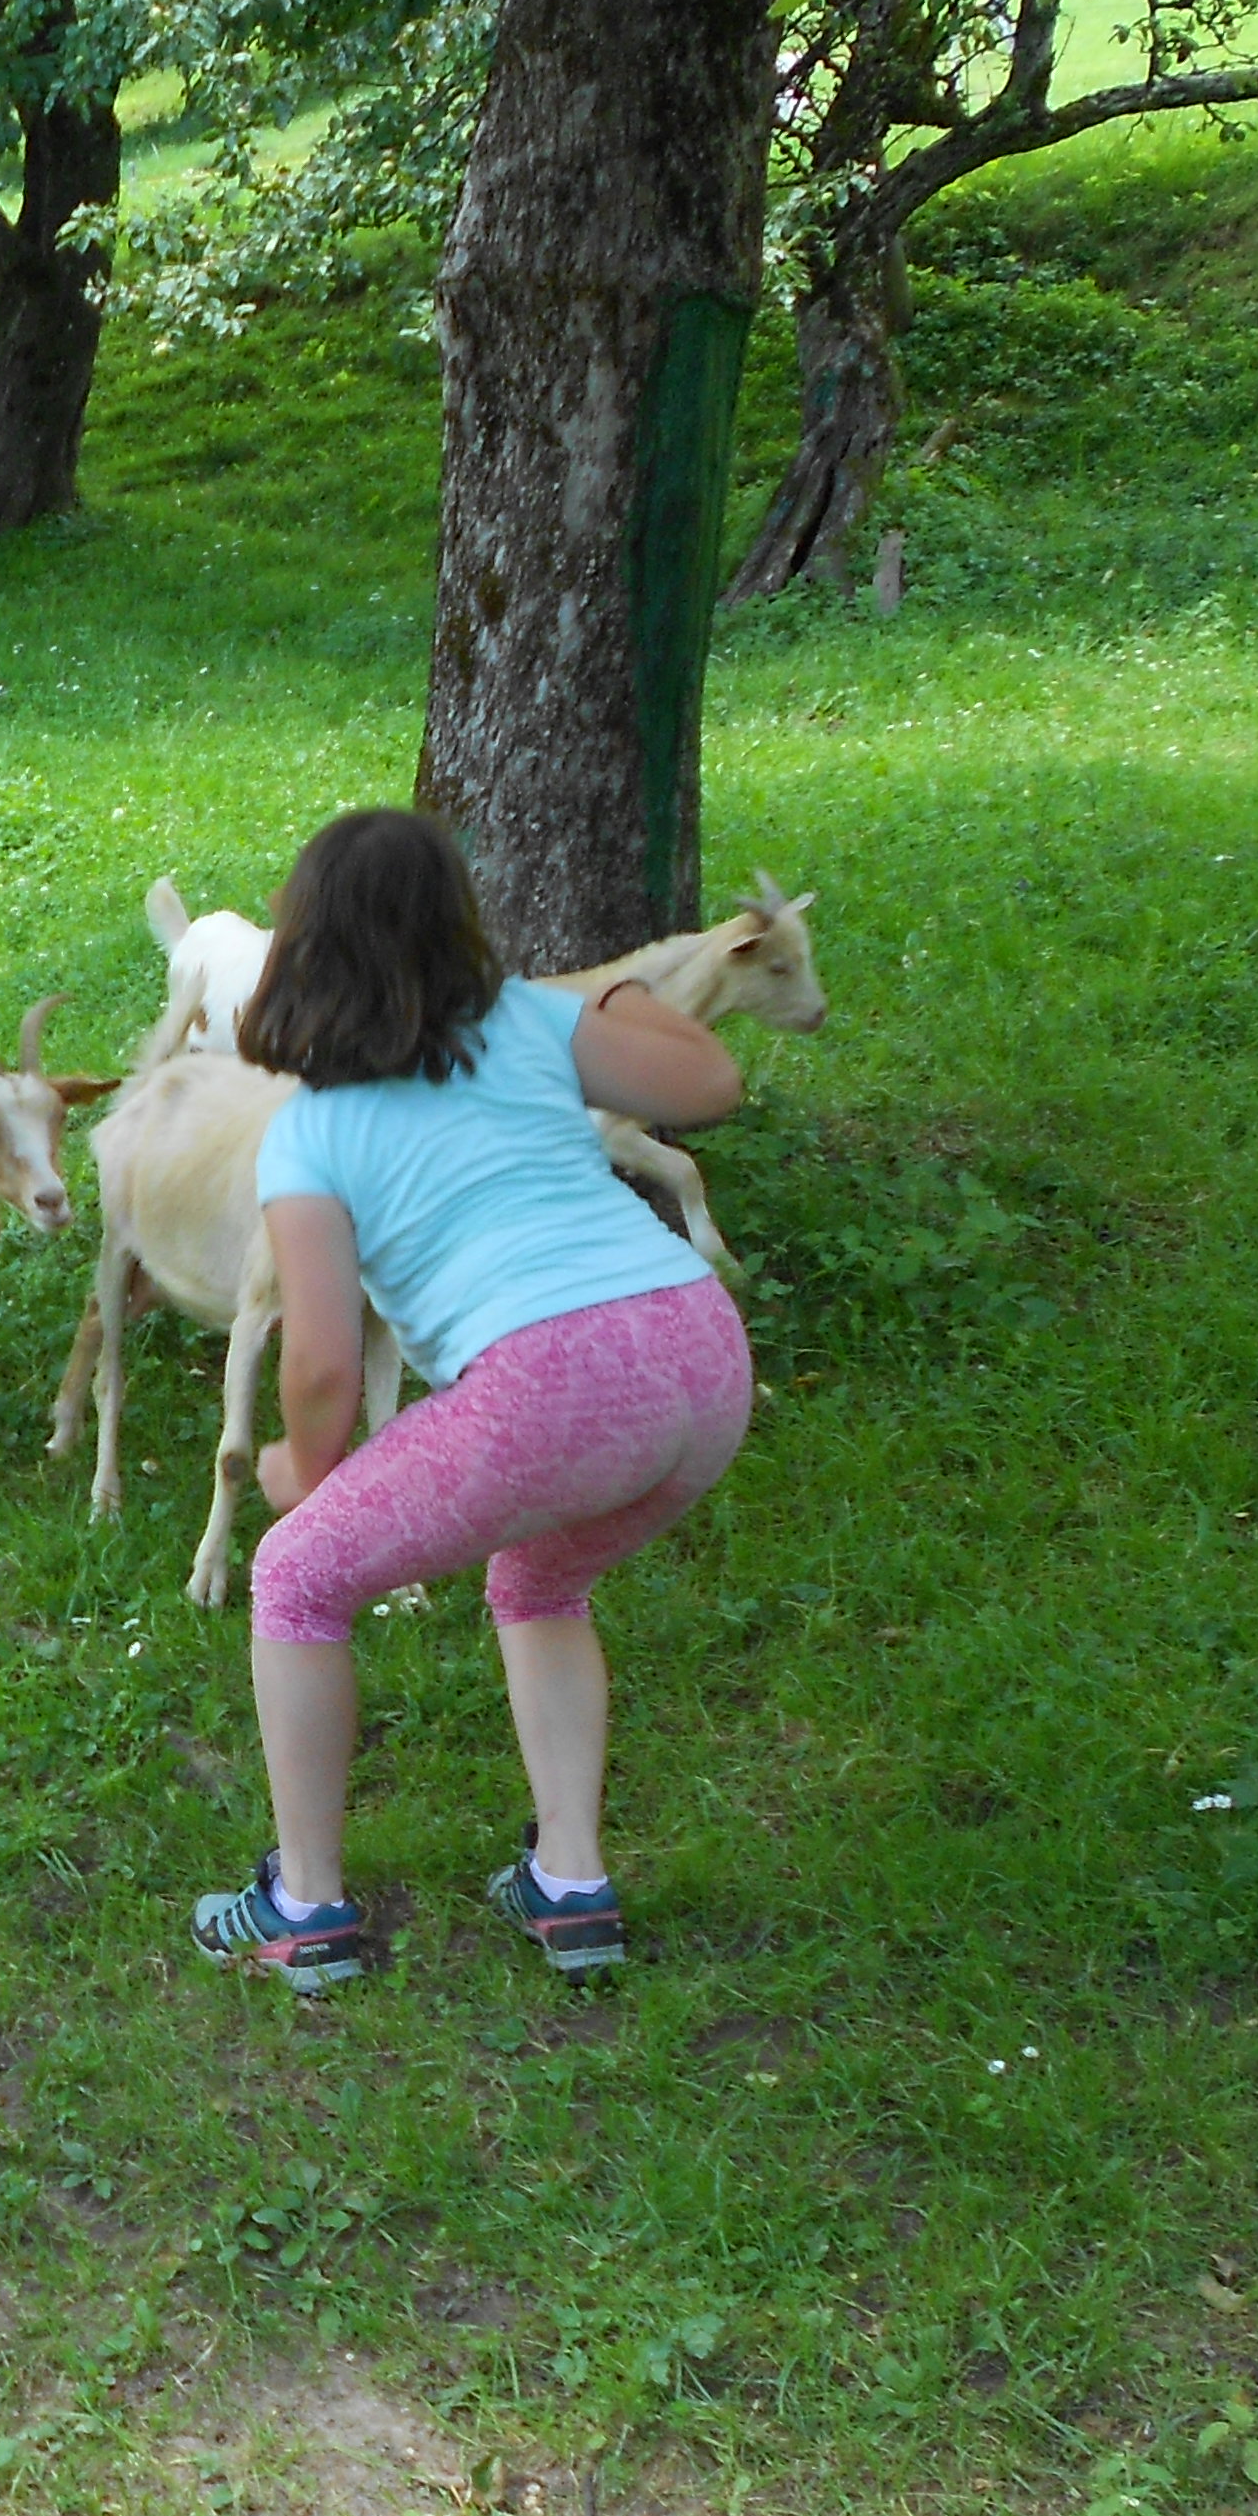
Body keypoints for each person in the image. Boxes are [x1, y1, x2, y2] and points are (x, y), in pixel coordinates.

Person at [197, 808, 755, 1993]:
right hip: (701, 1350)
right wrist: (613, 996)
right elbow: (713, 1080)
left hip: (552, 1382)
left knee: (295, 1577)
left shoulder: (310, 1136)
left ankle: (306, 1908)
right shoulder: (535, 1023)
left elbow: (323, 1363)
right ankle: (571, 1882)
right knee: (540, 1577)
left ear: (301, 950)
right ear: (460, 923)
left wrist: (305, 1469)